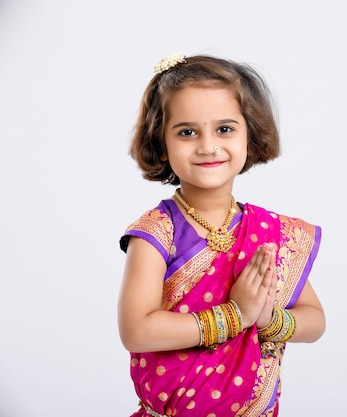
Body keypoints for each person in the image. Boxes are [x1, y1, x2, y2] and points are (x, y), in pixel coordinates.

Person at [117, 51, 325, 417]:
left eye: (225, 129)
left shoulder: (269, 232)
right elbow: (136, 330)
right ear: (161, 143)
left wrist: (268, 319)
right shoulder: (155, 233)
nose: (208, 145)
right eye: (187, 132)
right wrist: (234, 315)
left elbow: (315, 322)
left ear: (251, 135)